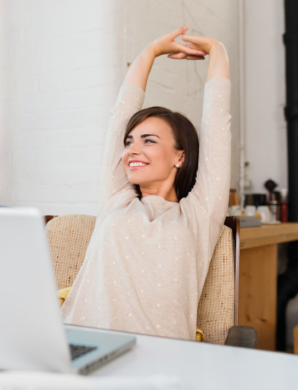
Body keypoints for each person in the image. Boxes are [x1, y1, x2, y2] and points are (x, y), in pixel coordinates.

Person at [61, 26, 231, 341]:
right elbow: (118, 118)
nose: (132, 150)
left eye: (148, 140)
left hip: (160, 360)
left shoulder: (198, 215)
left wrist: (218, 51)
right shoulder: (117, 199)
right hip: (80, 346)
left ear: (180, 156)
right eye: (129, 142)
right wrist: (149, 52)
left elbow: (217, 127)